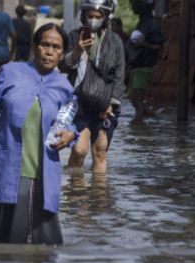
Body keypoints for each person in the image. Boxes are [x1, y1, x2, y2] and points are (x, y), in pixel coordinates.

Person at [0, 23, 77, 245]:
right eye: (45, 44)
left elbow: (69, 122)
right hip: (6, 166)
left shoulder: (64, 86)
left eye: (56, 47)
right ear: (35, 47)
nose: (49, 51)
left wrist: (70, 136)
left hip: (41, 171)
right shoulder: (11, 72)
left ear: (62, 53)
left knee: (44, 245)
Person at [59, 0, 125, 174]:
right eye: (90, 16)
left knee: (100, 151)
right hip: (79, 105)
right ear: (84, 16)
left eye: (97, 16)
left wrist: (112, 103)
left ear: (105, 18)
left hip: (105, 106)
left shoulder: (115, 41)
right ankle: (75, 193)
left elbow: (120, 74)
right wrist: (77, 51)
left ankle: (99, 197)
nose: (93, 20)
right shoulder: (74, 36)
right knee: (79, 151)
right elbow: (62, 66)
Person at [128, 0, 165, 124]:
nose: (133, 5)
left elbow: (159, 46)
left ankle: (138, 129)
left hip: (144, 67)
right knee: (133, 98)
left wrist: (144, 44)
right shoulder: (142, 22)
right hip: (137, 66)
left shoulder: (151, 24)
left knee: (137, 101)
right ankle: (153, 119)